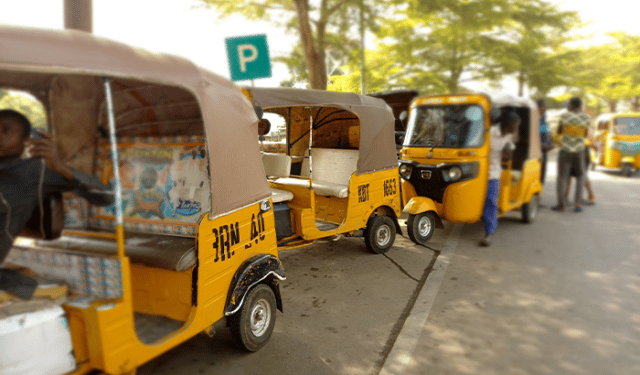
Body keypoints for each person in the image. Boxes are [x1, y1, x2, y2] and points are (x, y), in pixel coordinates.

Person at [0, 109, 112, 266]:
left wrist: (60, 167)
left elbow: (106, 196)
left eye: (6, 130)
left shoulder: (35, 171)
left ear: (26, 141)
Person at [480, 111, 519, 247]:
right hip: (479, 171)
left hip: (494, 172)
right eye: (515, 125)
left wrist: (507, 152)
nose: (516, 128)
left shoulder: (509, 136)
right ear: (508, 125)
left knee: (491, 201)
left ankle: (489, 232)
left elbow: (508, 157)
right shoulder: (489, 132)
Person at [552, 97, 591, 213]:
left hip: (565, 150)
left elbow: (559, 132)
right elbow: (585, 135)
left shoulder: (564, 116)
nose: (567, 106)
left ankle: (561, 205)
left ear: (572, 105)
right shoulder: (586, 118)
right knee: (580, 176)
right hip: (579, 151)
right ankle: (578, 204)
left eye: (569, 104)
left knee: (562, 177)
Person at [536, 99, 553, 185]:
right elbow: (534, 135)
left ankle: (540, 187)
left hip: (544, 148)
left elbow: (544, 134)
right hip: (536, 149)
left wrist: (550, 144)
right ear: (539, 107)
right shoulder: (533, 118)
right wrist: (542, 145)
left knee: (543, 170)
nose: (546, 109)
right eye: (544, 107)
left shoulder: (543, 118)